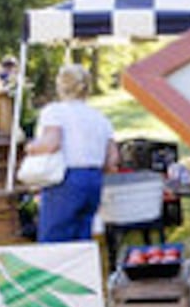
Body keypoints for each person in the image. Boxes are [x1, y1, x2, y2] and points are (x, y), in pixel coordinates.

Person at [25, 63, 119, 242]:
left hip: (66, 179)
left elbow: (51, 143)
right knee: (82, 239)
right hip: (93, 180)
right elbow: (112, 159)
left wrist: (31, 147)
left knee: (55, 240)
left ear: (60, 86)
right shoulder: (100, 117)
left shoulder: (54, 112)